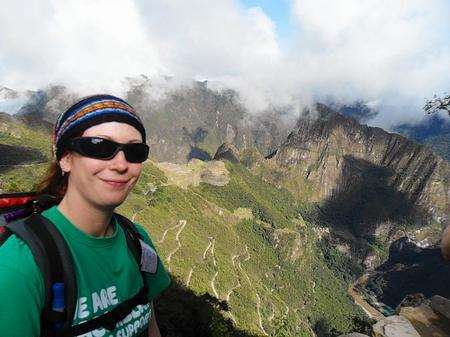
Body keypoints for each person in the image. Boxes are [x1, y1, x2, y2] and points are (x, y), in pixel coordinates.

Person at [0, 94, 171, 337]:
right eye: (100, 147)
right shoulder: (19, 267)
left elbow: (150, 327)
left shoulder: (137, 241)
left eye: (135, 151)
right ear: (66, 158)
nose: (121, 164)